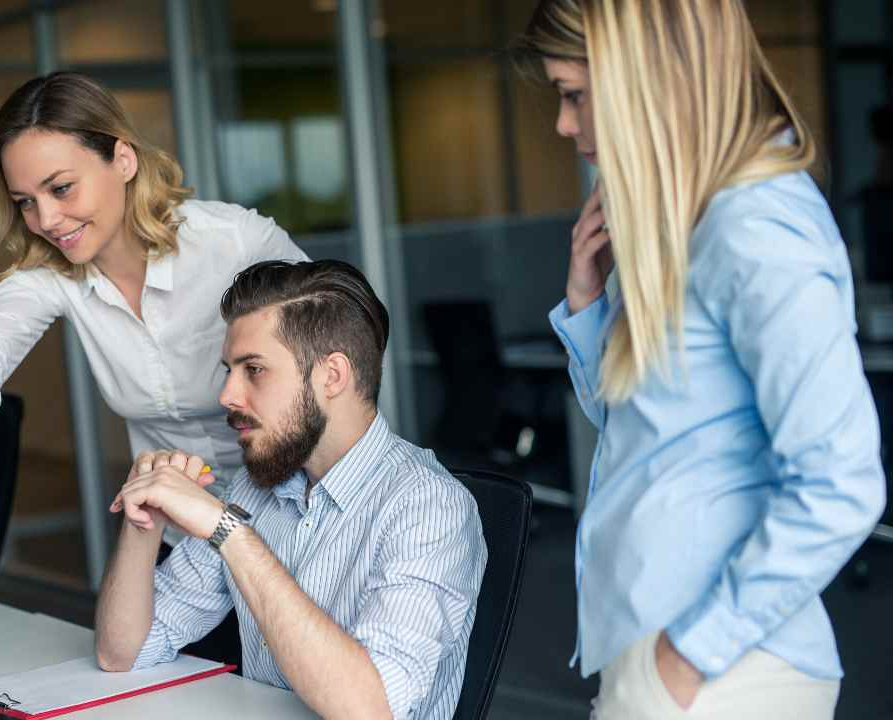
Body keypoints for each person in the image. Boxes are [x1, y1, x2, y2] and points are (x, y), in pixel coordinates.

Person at [515, 2, 887, 718]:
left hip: (718, 672)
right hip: (661, 653)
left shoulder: (756, 227)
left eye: (575, 94)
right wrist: (589, 303)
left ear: (645, 79)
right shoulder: (693, 219)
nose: (564, 125)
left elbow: (841, 482)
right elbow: (644, 431)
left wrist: (686, 659)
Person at [0, 72, 307, 522]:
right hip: (181, 533)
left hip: (295, 514)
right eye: (24, 201)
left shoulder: (234, 241)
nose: (46, 219)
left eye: (61, 188)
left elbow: (338, 349)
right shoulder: (48, 276)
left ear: (123, 160)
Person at [94, 259, 486, 720]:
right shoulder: (257, 487)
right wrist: (146, 521)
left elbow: (370, 707)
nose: (227, 395)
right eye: (229, 370)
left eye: (254, 370)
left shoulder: (428, 506)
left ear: (332, 376)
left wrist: (227, 532)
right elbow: (121, 653)